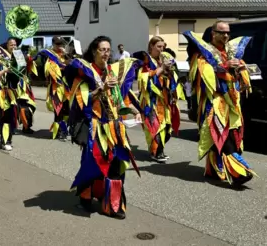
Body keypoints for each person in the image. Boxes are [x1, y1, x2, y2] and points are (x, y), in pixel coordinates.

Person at [65, 36, 142, 219]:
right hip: (95, 127)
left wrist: (133, 110)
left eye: (109, 49)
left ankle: (113, 205)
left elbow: (121, 98)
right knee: (92, 165)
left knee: (115, 165)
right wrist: (101, 89)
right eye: (102, 49)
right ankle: (85, 198)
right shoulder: (83, 72)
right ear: (94, 51)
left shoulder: (112, 72)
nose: (106, 53)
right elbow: (82, 101)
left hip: (115, 127)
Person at [183, 21, 255, 186]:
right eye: (221, 32)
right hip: (214, 103)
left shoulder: (231, 52)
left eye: (227, 32)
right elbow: (200, 76)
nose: (225, 35)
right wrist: (224, 66)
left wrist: (241, 68)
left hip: (232, 102)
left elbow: (241, 77)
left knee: (233, 134)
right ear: (213, 34)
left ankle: (214, 170)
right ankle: (238, 173)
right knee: (222, 135)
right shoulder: (201, 54)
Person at [133, 36, 184, 163]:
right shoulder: (145, 61)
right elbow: (142, 79)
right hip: (151, 100)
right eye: (158, 47)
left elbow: (172, 80)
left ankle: (158, 150)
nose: (162, 50)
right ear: (151, 46)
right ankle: (156, 152)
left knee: (167, 128)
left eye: (163, 47)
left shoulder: (163, 60)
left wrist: (171, 73)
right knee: (155, 127)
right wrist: (160, 70)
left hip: (164, 100)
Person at [34, 36, 71, 140]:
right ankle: (59, 131)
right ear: (53, 44)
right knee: (58, 111)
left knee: (67, 110)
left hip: (67, 88)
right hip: (56, 88)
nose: (60, 46)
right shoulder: (49, 55)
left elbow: (73, 65)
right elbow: (51, 71)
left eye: (61, 44)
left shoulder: (65, 55)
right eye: (58, 44)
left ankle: (64, 129)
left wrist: (66, 55)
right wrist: (63, 66)